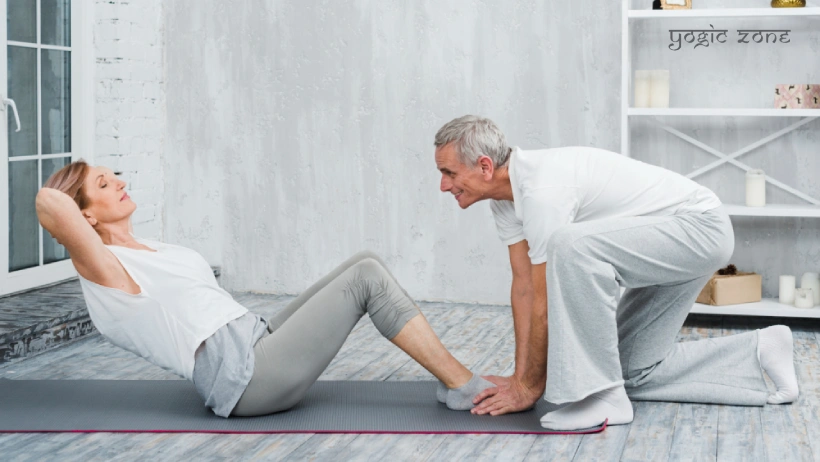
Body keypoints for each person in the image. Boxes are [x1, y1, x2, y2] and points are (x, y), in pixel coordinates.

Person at [36, 160, 492, 417]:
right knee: (367, 281)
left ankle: (452, 380)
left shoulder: (147, 246)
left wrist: (90, 188)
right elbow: (49, 202)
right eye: (103, 183)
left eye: (113, 174)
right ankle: (462, 385)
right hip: (247, 379)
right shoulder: (107, 271)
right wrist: (76, 210)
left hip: (258, 340)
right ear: (86, 217)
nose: (119, 180)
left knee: (363, 262)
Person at [432, 115, 798, 431]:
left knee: (570, 246)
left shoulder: (541, 190)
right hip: (661, 243)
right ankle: (761, 350)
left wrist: (529, 388)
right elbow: (525, 288)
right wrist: (519, 377)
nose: (443, 185)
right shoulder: (506, 201)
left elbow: (545, 300)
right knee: (632, 369)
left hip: (698, 228)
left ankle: (603, 395)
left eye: (449, 173)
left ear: (484, 166)